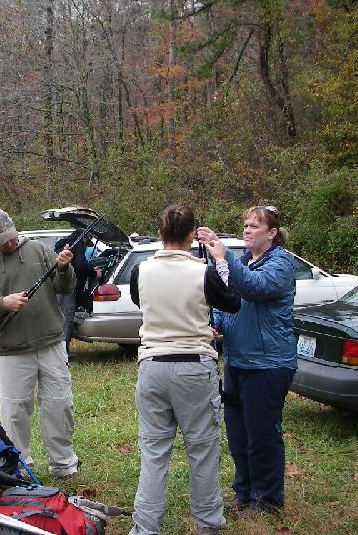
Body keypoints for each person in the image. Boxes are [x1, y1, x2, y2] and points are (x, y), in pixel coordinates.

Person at [128, 204, 240, 535]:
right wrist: (220, 260)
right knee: (202, 450)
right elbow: (232, 301)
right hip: (193, 367)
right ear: (193, 236)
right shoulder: (203, 272)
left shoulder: (141, 271)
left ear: (160, 234)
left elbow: (142, 302)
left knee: (153, 451)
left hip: (153, 366)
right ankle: (208, 525)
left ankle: (145, 527)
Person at [0, 208, 80, 479]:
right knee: (15, 411)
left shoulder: (38, 250)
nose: (10, 243)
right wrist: (2, 303)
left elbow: (65, 286)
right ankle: (20, 465)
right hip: (13, 351)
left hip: (51, 342)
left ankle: (63, 463)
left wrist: (63, 267)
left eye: (11, 236)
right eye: (3, 240)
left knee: (59, 404)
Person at [197, 205, 296, 518]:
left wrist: (223, 260)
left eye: (255, 226)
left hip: (268, 364)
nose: (247, 230)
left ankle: (266, 500)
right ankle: (244, 493)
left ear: (272, 233)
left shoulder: (281, 262)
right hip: (238, 362)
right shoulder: (242, 263)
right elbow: (229, 304)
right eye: (245, 225)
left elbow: (255, 289)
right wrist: (215, 322)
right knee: (239, 435)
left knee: (262, 434)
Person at [54, 231, 102, 358]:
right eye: (89, 241)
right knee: (67, 317)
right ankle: (64, 353)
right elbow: (81, 264)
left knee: (61, 317)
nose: (88, 245)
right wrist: (94, 272)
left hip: (57, 283)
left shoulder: (65, 242)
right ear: (86, 238)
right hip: (66, 286)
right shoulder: (78, 243)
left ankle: (61, 350)